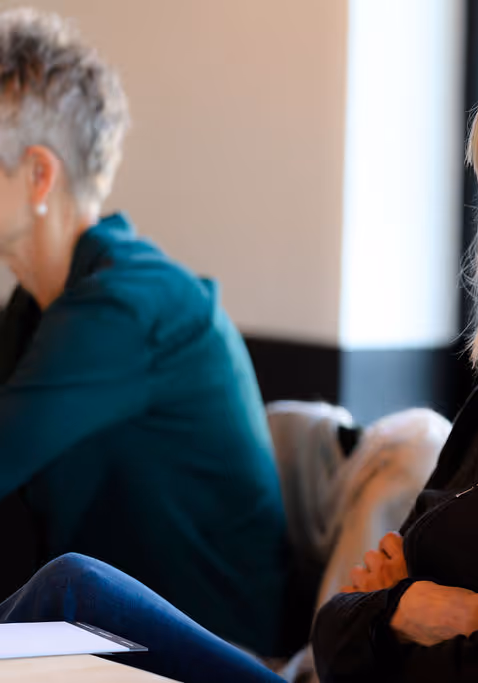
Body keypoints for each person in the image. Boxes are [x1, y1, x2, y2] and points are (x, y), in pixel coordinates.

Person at [0, 36, 478, 683]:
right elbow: (338, 628)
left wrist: (414, 607)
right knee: (61, 611)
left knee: (69, 600)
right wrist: (418, 610)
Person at [0, 9, 290, 656]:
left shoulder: (128, 306)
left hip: (212, 652)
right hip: (101, 642)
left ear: (39, 175)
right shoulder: (37, 307)